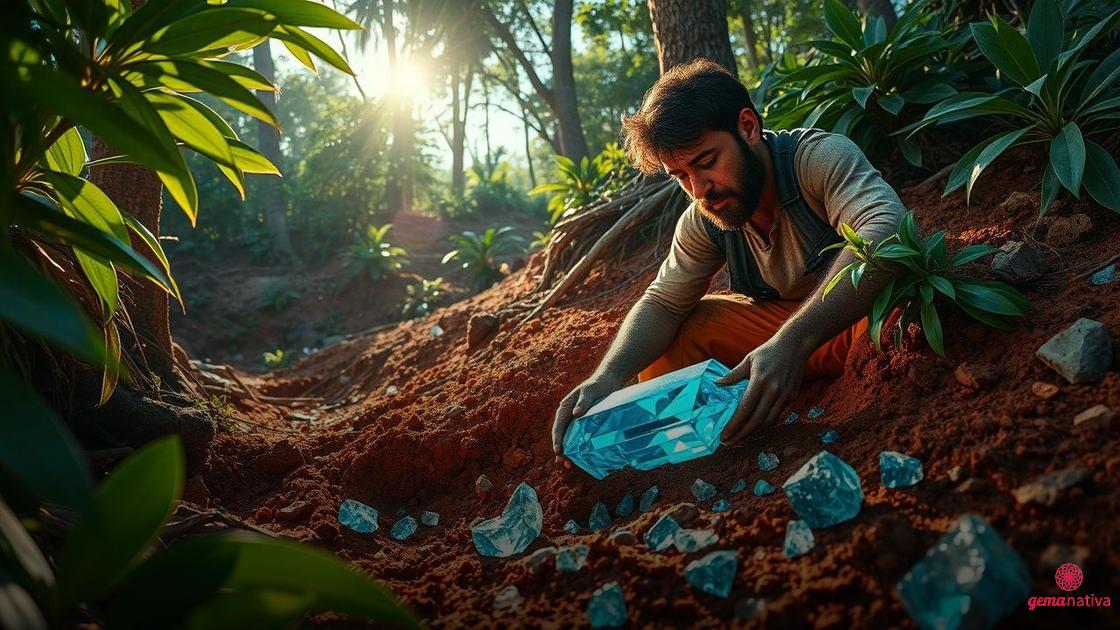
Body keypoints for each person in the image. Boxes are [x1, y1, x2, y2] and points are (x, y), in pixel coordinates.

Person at [551, 58, 907, 454]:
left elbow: (884, 230)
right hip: (774, 346)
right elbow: (662, 301)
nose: (699, 187)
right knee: (685, 327)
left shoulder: (817, 158)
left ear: (748, 127)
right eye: (681, 176)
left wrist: (792, 341)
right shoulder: (704, 218)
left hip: (854, 328)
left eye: (707, 163)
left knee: (899, 305)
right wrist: (610, 375)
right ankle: (686, 456)